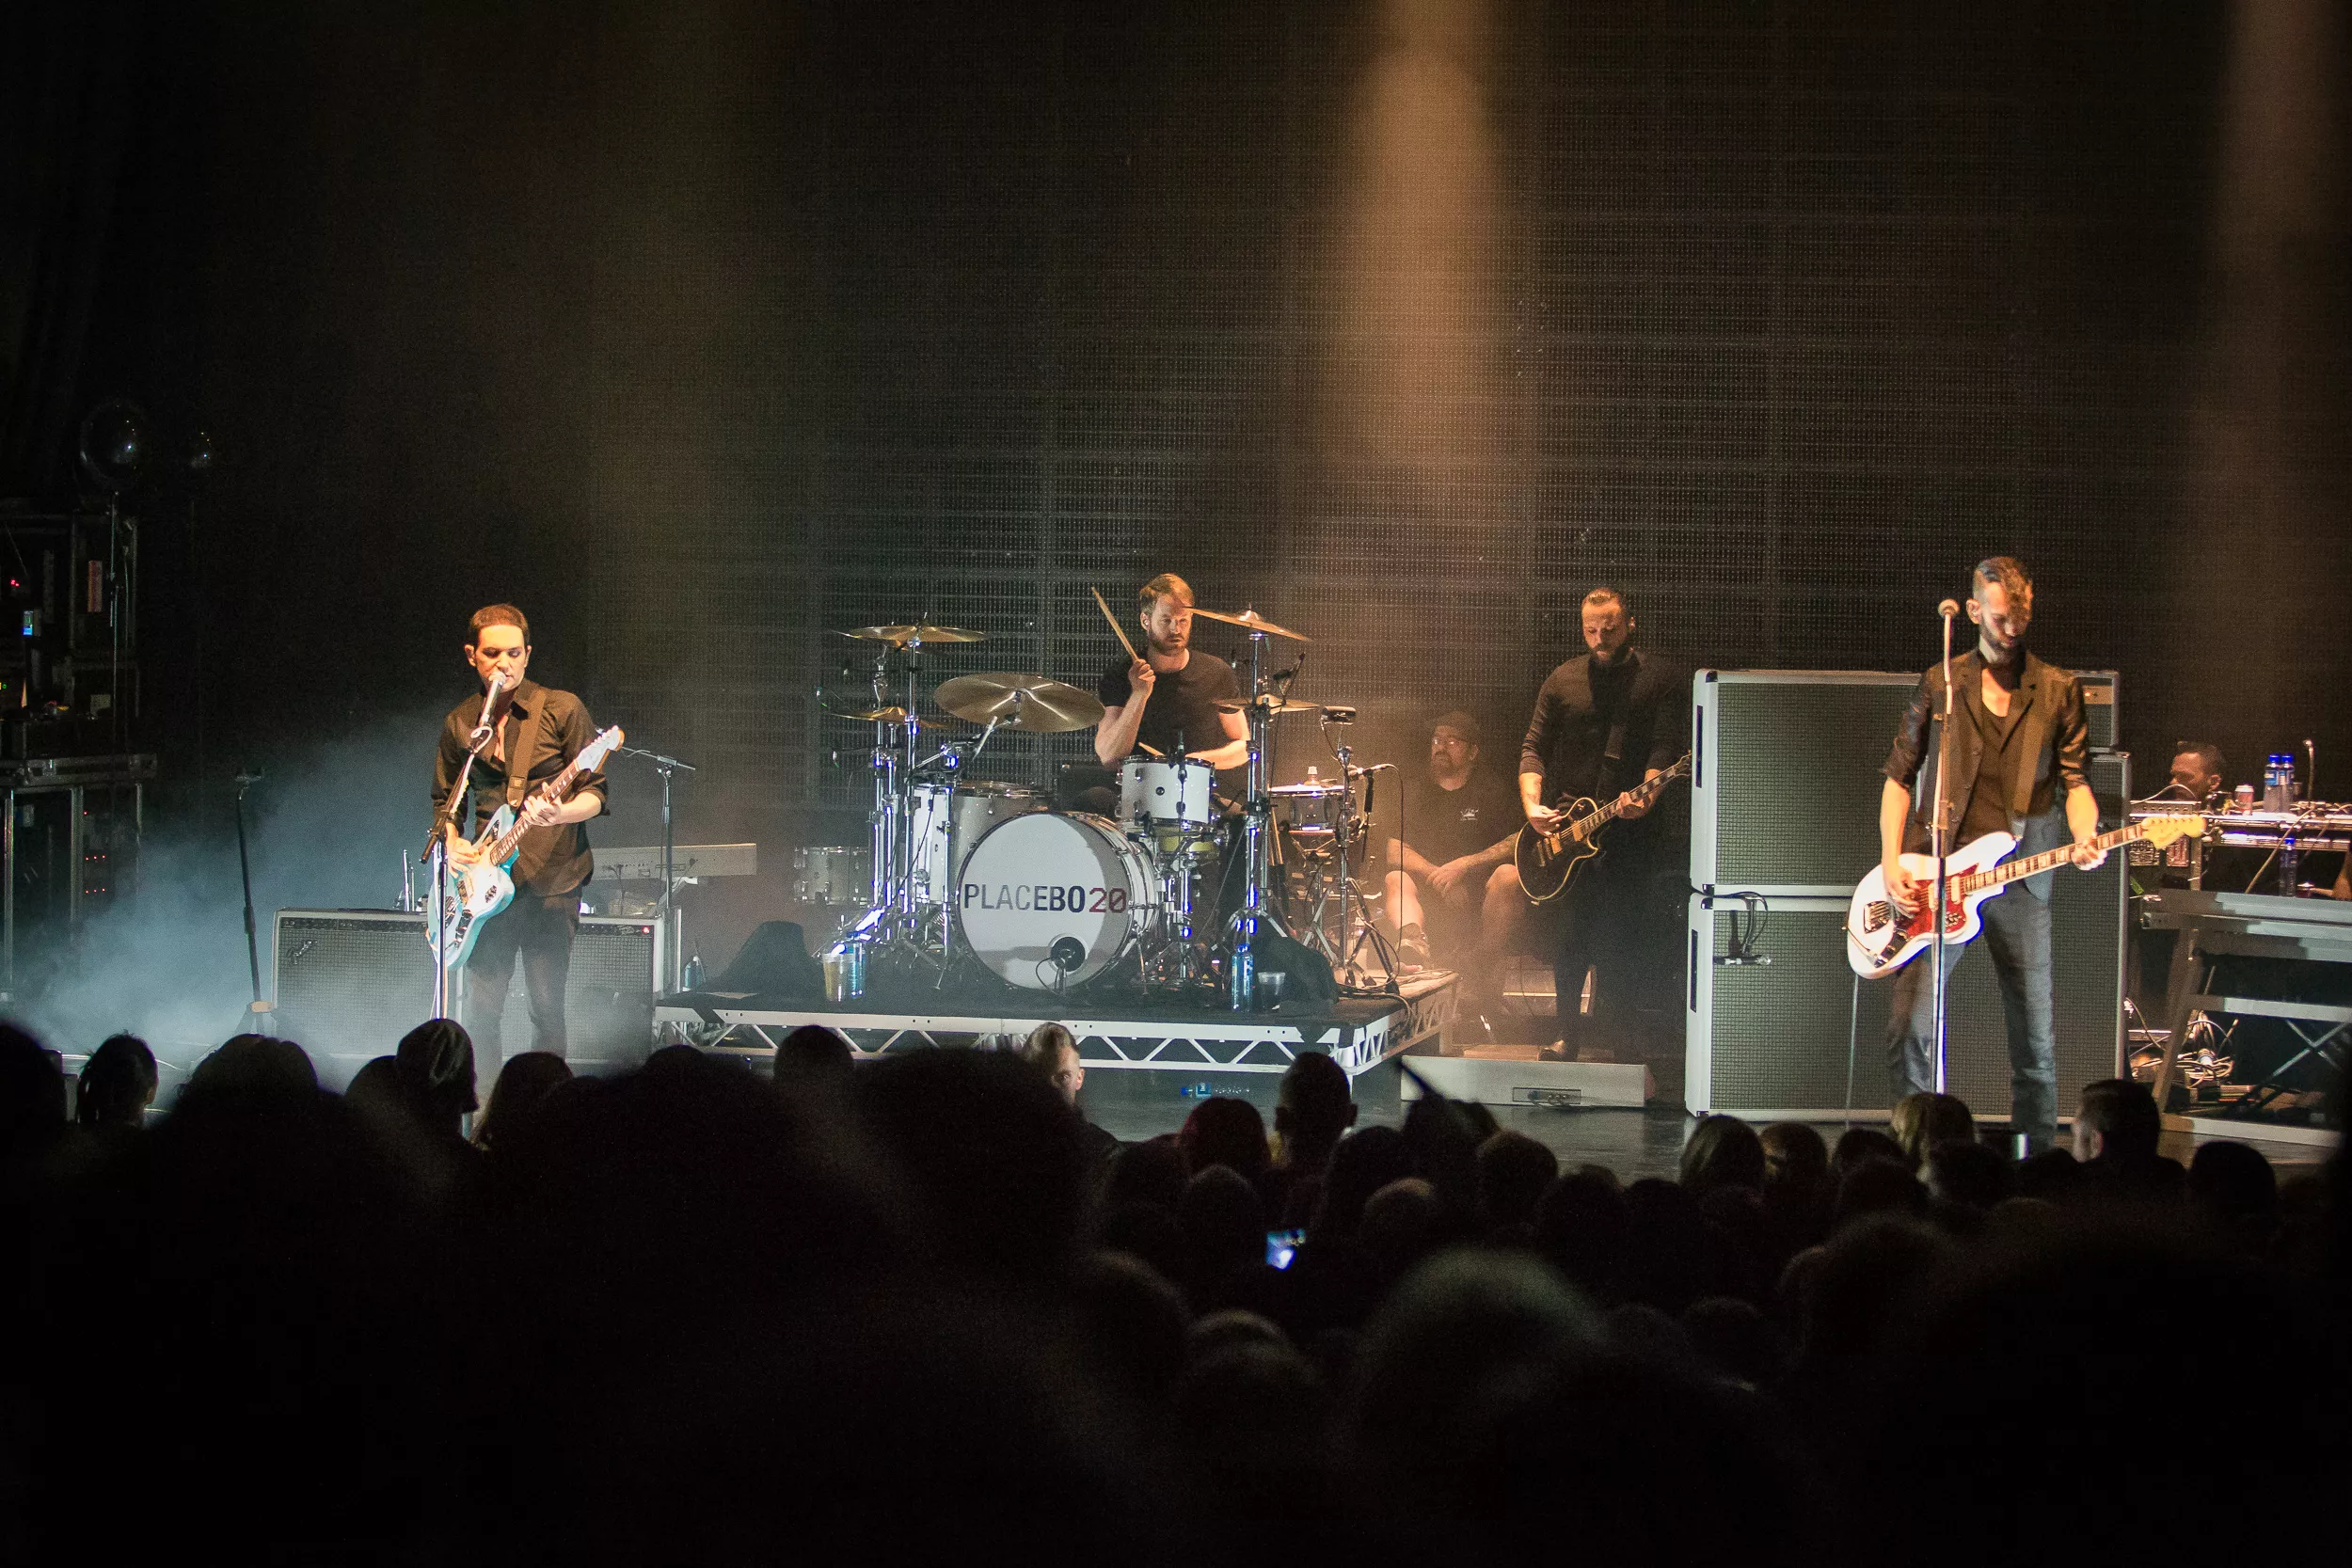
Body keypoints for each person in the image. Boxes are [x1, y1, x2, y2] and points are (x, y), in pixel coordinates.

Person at [1878, 558, 2105, 1153]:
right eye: (2001, 617)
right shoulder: (1942, 682)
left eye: (2021, 616)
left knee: (2035, 1037)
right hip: (1941, 871)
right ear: (1974, 611)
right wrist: (1892, 860)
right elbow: (1900, 776)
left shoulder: (2058, 689)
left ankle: (2036, 1157)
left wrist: (2085, 835)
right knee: (1910, 1024)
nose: (2012, 628)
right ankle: (1918, 1149)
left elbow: (2077, 781)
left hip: (2022, 877)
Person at [435, 604, 608, 1089]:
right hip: (484, 884)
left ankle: (544, 1110)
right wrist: (453, 842)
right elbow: (446, 802)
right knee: (480, 1010)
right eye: (492, 653)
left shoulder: (562, 709)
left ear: (528, 655)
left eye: (514, 653)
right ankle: (484, 1111)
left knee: (545, 1007)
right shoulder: (461, 723)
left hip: (553, 881)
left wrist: (560, 812)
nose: (503, 664)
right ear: (472, 655)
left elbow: (596, 794)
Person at [1517, 587, 1688, 1059]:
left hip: (1629, 831)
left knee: (1621, 937)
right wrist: (1532, 806)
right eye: (1590, 630)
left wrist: (1649, 793)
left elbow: (1664, 746)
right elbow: (1533, 746)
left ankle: (1620, 1039)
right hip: (1569, 827)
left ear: (1630, 624)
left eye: (1609, 629)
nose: (1599, 639)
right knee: (1569, 938)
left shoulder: (1659, 679)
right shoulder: (1563, 679)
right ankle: (1567, 1035)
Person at [1385, 710, 1527, 989]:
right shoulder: (1414, 791)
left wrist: (1464, 865)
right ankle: (1414, 946)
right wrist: (1440, 877)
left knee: (1509, 876)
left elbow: (1517, 840)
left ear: (1473, 752)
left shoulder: (1492, 791)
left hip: (1479, 891)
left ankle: (1482, 961)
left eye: (1452, 742)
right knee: (1395, 878)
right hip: (1430, 888)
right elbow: (1394, 850)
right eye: (1437, 740)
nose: (1441, 747)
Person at [1088, 574, 1249, 815]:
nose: (1176, 629)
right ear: (1145, 620)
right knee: (1091, 800)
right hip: (1135, 798)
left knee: (1241, 821)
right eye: (1166, 620)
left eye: (1183, 620)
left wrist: (1198, 761)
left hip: (1197, 797)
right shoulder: (1121, 675)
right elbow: (1108, 756)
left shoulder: (1217, 673)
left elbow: (1243, 746)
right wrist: (1139, 695)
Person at [1022, 1022, 1119, 1168]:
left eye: (1063, 1077)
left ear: (1079, 1078)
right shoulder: (1103, 1150)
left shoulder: (1002, 1146)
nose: (1052, 1088)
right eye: (1041, 1076)